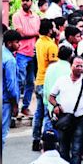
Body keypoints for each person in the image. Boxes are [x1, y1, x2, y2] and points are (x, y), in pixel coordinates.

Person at [49, 56, 83, 164]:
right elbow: (51, 96)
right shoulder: (62, 80)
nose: (80, 68)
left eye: (81, 66)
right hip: (64, 119)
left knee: (76, 150)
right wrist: (56, 105)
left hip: (80, 119)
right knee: (63, 149)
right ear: (71, 66)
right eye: (77, 65)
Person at [12, 0, 40, 117]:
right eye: (23, 0)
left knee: (30, 82)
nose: (25, 2)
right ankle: (15, 107)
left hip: (33, 53)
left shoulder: (36, 17)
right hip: (21, 53)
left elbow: (33, 34)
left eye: (27, 0)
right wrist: (35, 33)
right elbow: (20, 34)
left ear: (31, 2)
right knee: (19, 81)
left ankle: (25, 107)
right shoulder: (17, 16)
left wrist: (32, 33)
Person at [32, 19, 59, 151]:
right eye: (53, 27)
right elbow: (54, 66)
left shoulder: (39, 42)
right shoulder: (51, 45)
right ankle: (47, 142)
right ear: (49, 29)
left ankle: (35, 139)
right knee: (48, 114)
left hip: (39, 80)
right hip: (47, 82)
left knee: (38, 112)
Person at [2, 30, 22, 164]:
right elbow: (11, 85)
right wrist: (15, 103)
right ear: (10, 43)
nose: (19, 45)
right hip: (4, 101)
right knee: (2, 132)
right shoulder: (10, 60)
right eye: (16, 42)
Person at [42, 46, 73, 133]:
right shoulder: (70, 69)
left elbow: (46, 86)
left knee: (49, 131)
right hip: (65, 106)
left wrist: (46, 102)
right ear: (70, 56)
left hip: (51, 104)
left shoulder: (50, 68)